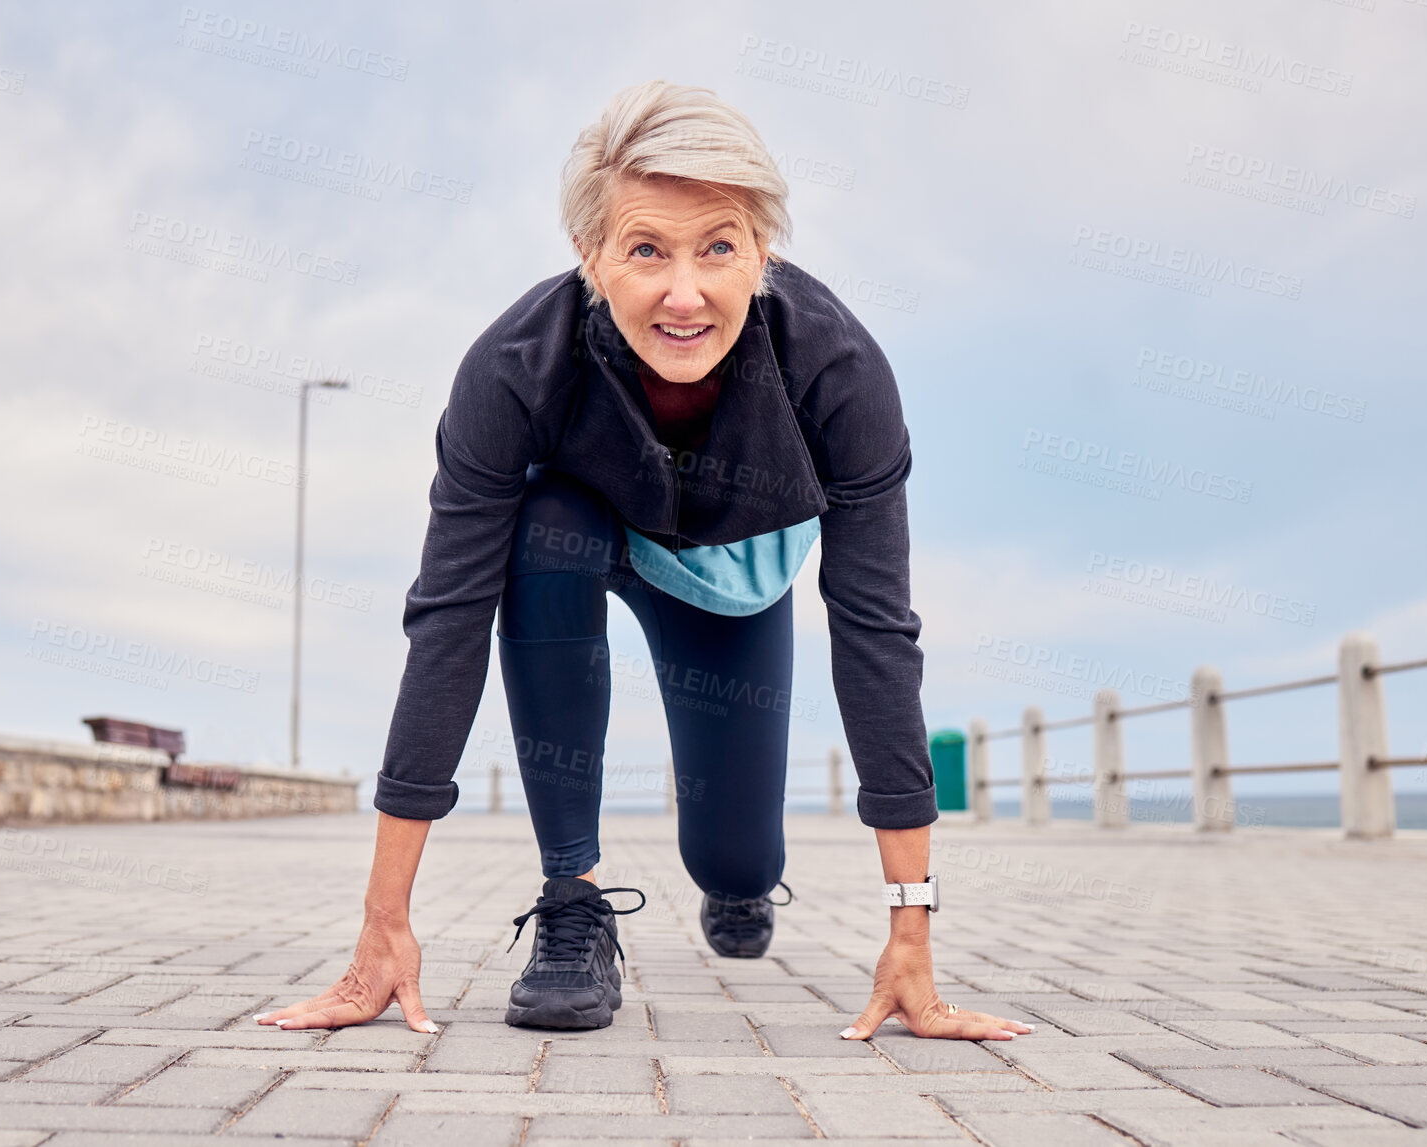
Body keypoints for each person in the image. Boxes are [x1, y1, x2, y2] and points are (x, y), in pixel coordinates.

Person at [257, 80, 1029, 1042]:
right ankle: (572, 904)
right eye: (646, 249)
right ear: (590, 257)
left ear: (763, 251)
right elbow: (447, 617)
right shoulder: (512, 371)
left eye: (718, 247)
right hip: (583, 540)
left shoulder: (839, 372)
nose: (684, 292)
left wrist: (911, 933)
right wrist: (381, 926)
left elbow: (877, 630)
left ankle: (739, 883)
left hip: (730, 583)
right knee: (546, 522)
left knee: (737, 858)